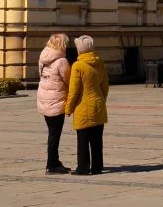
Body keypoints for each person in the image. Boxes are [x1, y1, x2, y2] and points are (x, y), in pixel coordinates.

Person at [65, 34, 109, 176]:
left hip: (83, 106)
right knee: (97, 139)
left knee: (83, 139)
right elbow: (105, 87)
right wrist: (101, 100)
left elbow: (74, 90)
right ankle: (97, 167)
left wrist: (68, 108)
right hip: (98, 104)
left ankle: (83, 168)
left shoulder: (78, 65)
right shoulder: (100, 63)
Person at [35, 33, 75, 174]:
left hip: (44, 98)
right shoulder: (62, 61)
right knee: (54, 134)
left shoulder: (43, 57)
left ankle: (55, 161)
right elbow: (69, 80)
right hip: (56, 101)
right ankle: (52, 164)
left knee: (52, 132)